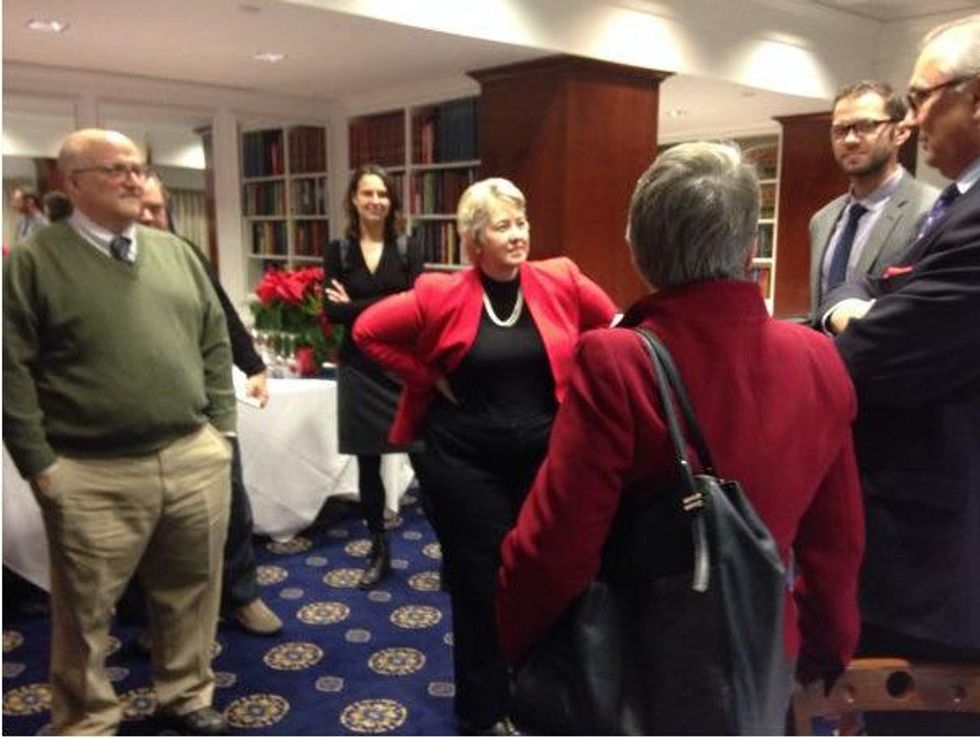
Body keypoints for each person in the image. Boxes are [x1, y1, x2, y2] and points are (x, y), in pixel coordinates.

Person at [497, 143, 865, 720]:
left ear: (638, 249)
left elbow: (554, 548)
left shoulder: (616, 360)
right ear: (751, 248)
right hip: (762, 657)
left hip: (638, 663)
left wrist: (519, 641)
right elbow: (836, 544)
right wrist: (822, 650)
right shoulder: (819, 357)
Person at [354, 177, 618, 735]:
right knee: (480, 584)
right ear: (474, 240)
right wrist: (427, 375)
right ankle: (485, 706)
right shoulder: (438, 292)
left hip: (547, 461)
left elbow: (614, 329)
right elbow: (367, 330)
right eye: (503, 225)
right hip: (464, 464)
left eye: (521, 222)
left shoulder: (561, 278)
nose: (518, 234)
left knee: (551, 573)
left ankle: (550, 688)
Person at [2, 129, 234, 735]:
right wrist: (39, 465)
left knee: (190, 592)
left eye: (138, 167)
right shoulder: (34, 261)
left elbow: (214, 340)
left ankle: (185, 696)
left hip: (190, 457)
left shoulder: (174, 252)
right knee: (84, 615)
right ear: (71, 183)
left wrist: (222, 434)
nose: (134, 179)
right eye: (115, 169)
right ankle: (86, 719)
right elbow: (10, 368)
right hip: (89, 470)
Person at [822, 14, 980, 734]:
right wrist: (859, 310)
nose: (912, 120)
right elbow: (880, 306)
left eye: (922, 99)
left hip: (938, 550)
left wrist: (860, 315)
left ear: (975, 97)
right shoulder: (954, 205)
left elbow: (878, 354)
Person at [139, 173, 282, 635]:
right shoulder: (103, 265)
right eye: (140, 209)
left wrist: (254, 365)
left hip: (204, 411)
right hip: (139, 421)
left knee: (233, 508)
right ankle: (158, 618)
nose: (148, 217)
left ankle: (241, 596)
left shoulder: (187, 256)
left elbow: (222, 315)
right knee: (154, 525)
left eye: (157, 209)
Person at [323, 164, 424, 590]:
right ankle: (379, 546)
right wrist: (389, 301)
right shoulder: (338, 251)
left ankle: (452, 548)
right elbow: (333, 312)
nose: (375, 201)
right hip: (358, 368)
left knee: (424, 456)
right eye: (367, 194)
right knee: (368, 462)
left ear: (391, 200)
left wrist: (358, 303)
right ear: (353, 199)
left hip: (401, 366)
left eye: (382, 194)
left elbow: (417, 306)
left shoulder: (407, 247)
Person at [808, 81, 937, 320]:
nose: (849, 140)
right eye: (840, 130)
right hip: (823, 356)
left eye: (865, 126)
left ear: (900, 132)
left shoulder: (932, 210)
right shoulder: (822, 220)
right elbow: (817, 311)